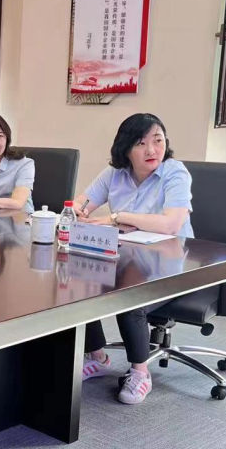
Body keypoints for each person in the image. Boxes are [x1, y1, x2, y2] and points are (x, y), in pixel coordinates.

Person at [76, 113, 194, 405]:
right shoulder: (115, 173)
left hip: (171, 264)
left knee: (129, 298)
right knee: (78, 285)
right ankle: (97, 356)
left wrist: (119, 217)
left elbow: (171, 224)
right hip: (126, 259)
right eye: (141, 143)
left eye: (158, 140)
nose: (152, 150)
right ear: (126, 148)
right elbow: (82, 203)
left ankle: (140, 372)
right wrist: (79, 211)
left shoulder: (175, 172)